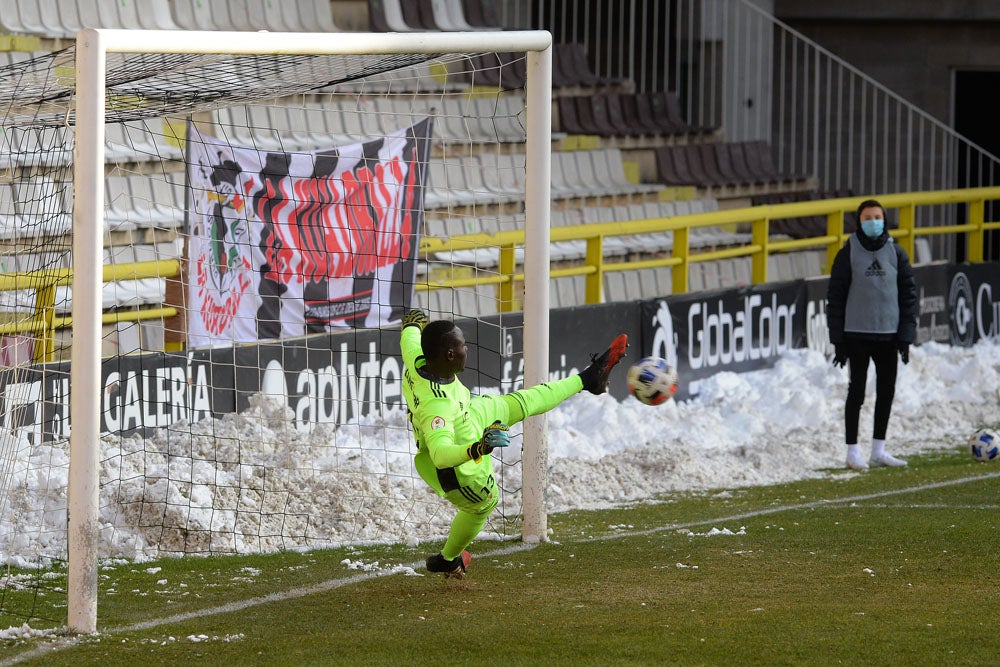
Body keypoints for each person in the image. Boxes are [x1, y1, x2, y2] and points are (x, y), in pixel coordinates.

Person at [399, 309, 628, 578]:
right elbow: (439, 455)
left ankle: (588, 379)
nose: (467, 350)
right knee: (484, 504)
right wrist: (478, 448)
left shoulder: (417, 357)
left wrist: (412, 323)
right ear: (449, 354)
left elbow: (409, 336)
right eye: (463, 346)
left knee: (521, 402)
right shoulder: (437, 407)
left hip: (469, 414)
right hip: (458, 467)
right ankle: (448, 559)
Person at [826, 199, 918, 470]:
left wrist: (905, 336)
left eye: (877, 216)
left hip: (888, 334)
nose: (873, 221)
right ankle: (852, 451)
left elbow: (908, 296)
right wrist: (838, 340)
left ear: (885, 219)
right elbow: (836, 296)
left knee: (886, 391)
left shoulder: (897, 254)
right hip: (857, 335)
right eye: (868, 217)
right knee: (856, 391)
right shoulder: (847, 254)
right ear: (859, 221)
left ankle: (879, 449)